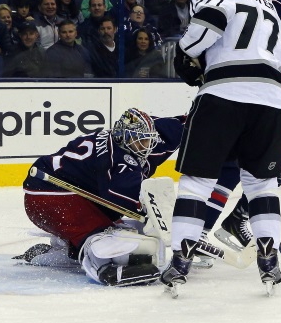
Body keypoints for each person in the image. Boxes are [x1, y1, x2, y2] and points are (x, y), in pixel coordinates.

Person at [160, 0, 281, 295]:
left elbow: (206, 30)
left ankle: (180, 260)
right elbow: (280, 63)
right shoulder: (271, 7)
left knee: (196, 182)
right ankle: (268, 258)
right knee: (263, 185)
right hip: (272, 104)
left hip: (224, 96)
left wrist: (186, 50)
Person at [19, 108, 185, 286]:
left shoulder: (126, 141)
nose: (146, 145)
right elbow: (119, 197)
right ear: (125, 137)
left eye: (148, 140)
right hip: (49, 196)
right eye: (141, 141)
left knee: (127, 227)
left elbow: (183, 123)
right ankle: (101, 266)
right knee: (101, 237)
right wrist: (146, 209)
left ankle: (65, 249)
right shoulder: (116, 159)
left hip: (63, 191)